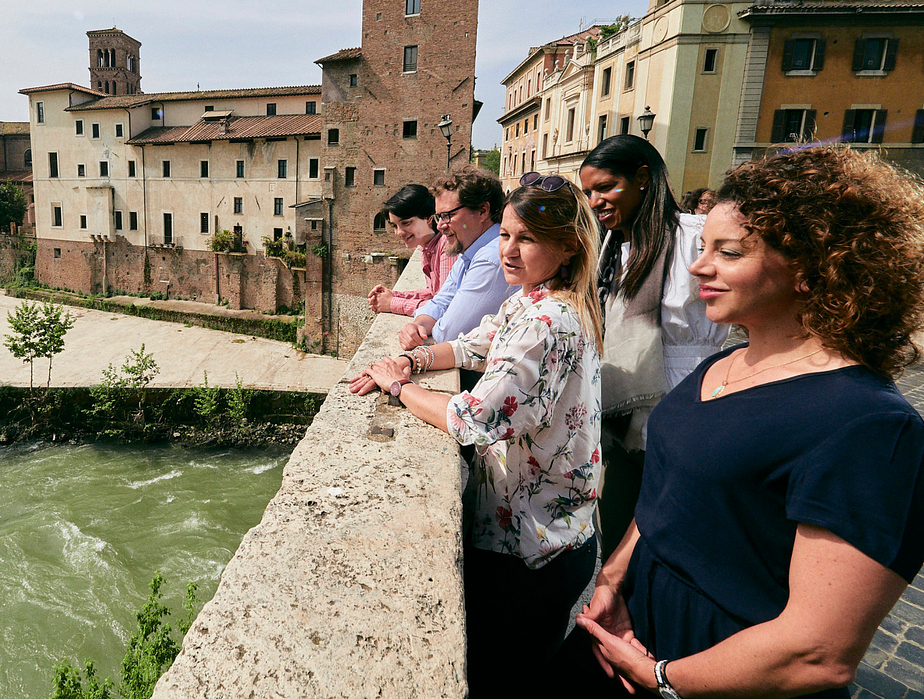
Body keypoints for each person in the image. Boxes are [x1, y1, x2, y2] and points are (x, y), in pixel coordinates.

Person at [572, 145, 924, 699]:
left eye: (729, 252)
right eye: (705, 246)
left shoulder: (871, 424)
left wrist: (666, 679)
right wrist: (615, 577)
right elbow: (667, 493)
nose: (697, 266)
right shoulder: (722, 363)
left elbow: (819, 652)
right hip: (641, 635)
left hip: (723, 675)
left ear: (813, 269)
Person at [350, 172, 603, 690]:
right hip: (546, 529)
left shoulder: (546, 321)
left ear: (569, 246)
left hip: (533, 547)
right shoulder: (533, 299)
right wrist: (413, 357)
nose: (508, 250)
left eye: (526, 238)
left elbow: (472, 419)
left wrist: (396, 386)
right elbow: (471, 346)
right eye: (506, 234)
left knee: (500, 680)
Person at [578, 135, 727, 552]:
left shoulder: (694, 238)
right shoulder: (611, 247)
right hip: (624, 417)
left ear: (642, 178)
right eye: (589, 192)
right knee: (617, 531)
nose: (595, 201)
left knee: (667, 537)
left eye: (605, 187)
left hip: (685, 407)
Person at [397, 166, 517, 352]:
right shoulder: (470, 248)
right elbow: (440, 301)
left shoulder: (492, 257)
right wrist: (418, 324)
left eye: (448, 215)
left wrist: (429, 324)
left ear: (482, 211)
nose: (441, 226)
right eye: (439, 216)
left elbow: (449, 333)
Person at [367, 184, 456, 316]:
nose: (399, 232)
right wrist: (394, 295)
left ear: (429, 218)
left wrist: (393, 303)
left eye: (406, 223)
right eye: (395, 226)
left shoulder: (447, 245)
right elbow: (433, 292)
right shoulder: (428, 247)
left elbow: (446, 307)